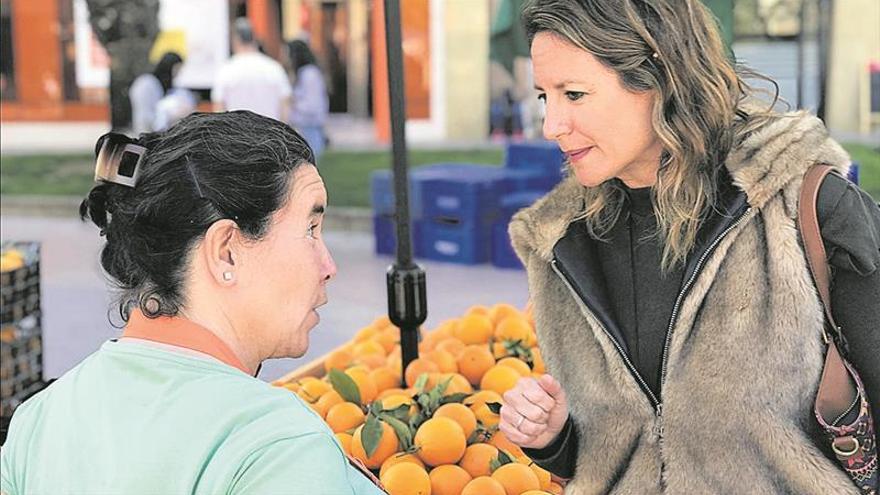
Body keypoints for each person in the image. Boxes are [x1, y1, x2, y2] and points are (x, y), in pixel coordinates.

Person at [500, 0, 880, 493]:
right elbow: (632, 446)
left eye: (574, 94)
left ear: (659, 80)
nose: (552, 126)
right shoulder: (561, 243)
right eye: (544, 97)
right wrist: (554, 437)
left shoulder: (803, 206)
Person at [0, 111, 384, 494]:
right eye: (310, 229)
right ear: (226, 252)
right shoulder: (277, 444)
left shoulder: (36, 422)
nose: (329, 266)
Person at [212, 18, 291, 122]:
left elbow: (219, 109)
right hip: (271, 133)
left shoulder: (226, 70)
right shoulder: (274, 68)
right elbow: (285, 106)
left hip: (237, 134)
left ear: (235, 40)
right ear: (254, 38)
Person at [286, 39, 329, 160]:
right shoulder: (302, 73)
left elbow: (312, 105)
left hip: (310, 128)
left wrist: (292, 102)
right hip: (305, 127)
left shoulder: (309, 74)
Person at [129, 51, 184, 134]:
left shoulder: (159, 85)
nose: (177, 74)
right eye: (176, 69)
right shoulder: (147, 83)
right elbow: (147, 115)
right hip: (146, 132)